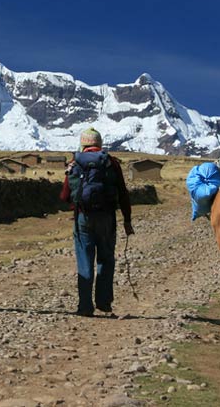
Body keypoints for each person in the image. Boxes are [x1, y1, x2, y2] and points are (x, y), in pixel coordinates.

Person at [60, 128, 133, 317]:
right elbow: (123, 193)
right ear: (99, 144)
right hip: (107, 217)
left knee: (85, 261)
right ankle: (104, 303)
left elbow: (65, 195)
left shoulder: (76, 163)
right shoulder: (111, 163)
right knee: (106, 259)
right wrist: (127, 220)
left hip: (83, 218)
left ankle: (85, 306)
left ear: (82, 144)